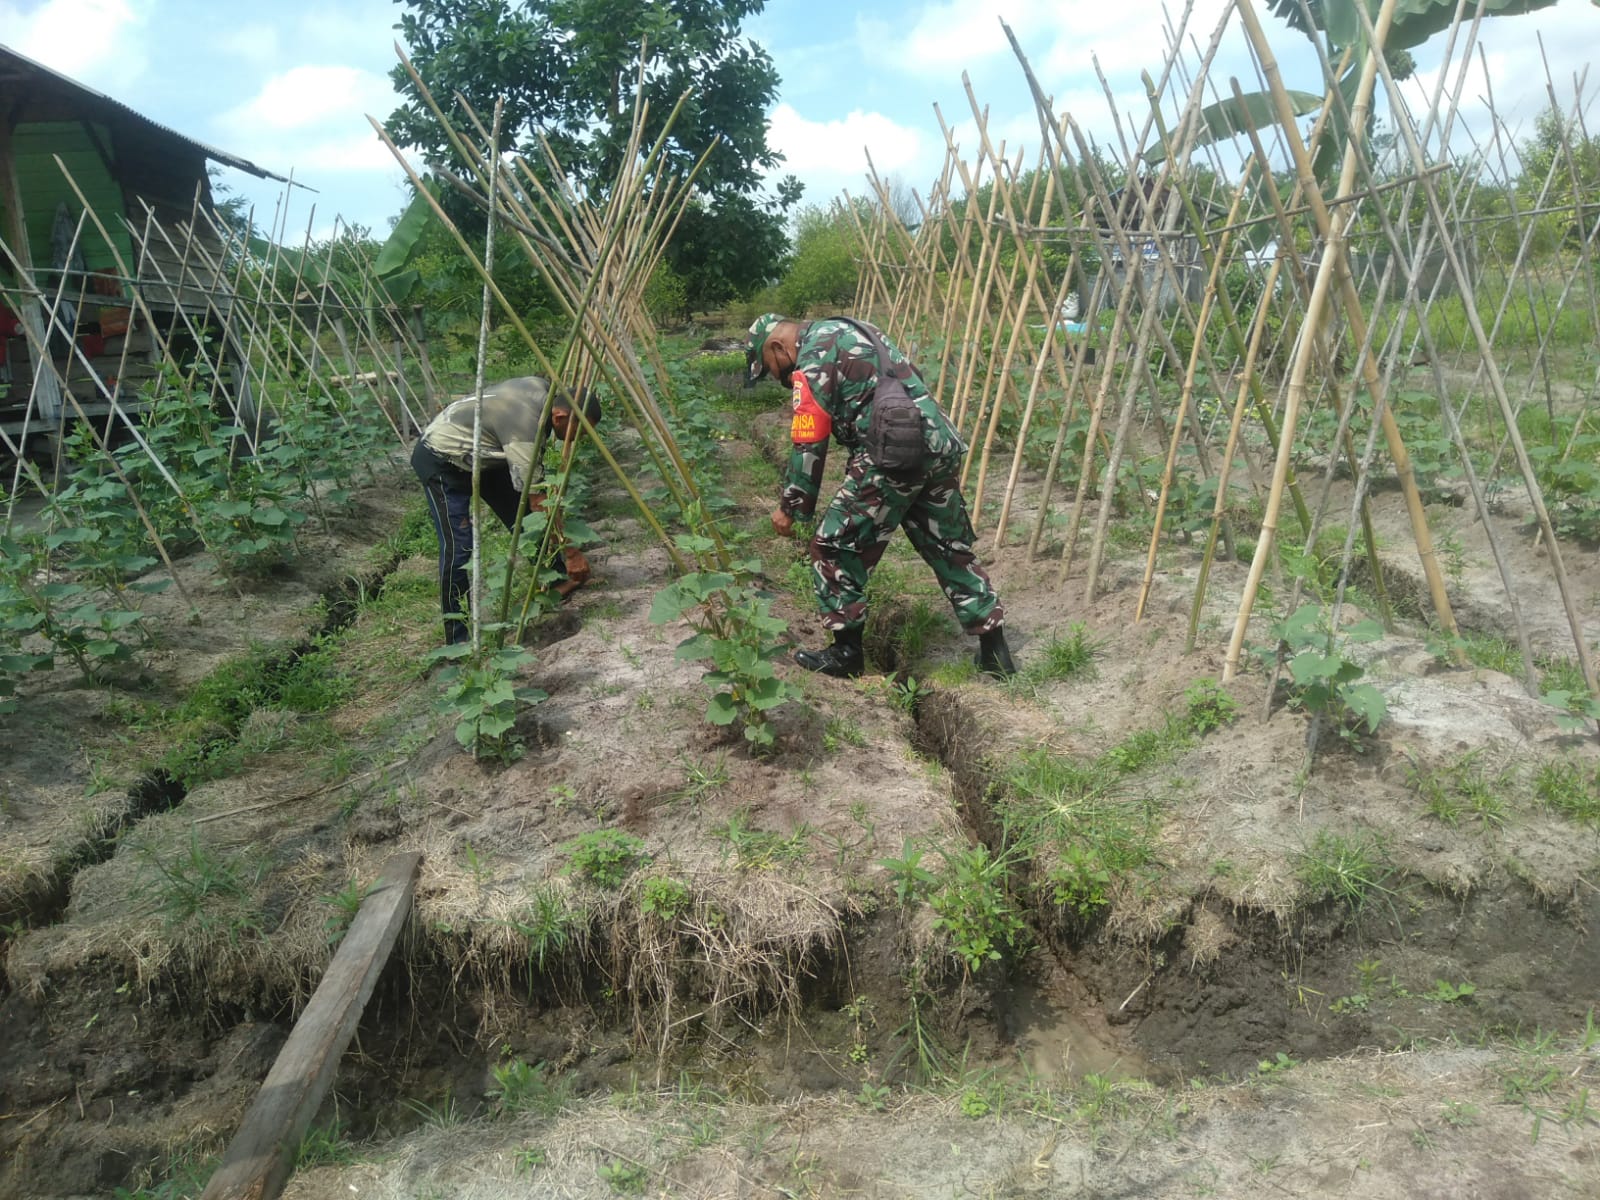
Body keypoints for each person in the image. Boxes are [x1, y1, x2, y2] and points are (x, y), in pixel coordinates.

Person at [745, 313, 1017, 679]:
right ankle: (995, 653)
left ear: (777, 347)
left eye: (770, 369)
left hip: (891, 454)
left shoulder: (814, 353)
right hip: (934, 444)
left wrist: (792, 507)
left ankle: (846, 654)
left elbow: (809, 436)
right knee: (949, 548)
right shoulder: (852, 329)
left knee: (833, 546)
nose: (777, 378)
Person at [410, 376, 599, 645]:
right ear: (559, 416)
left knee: (524, 521)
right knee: (459, 547)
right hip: (444, 457)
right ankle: (459, 638)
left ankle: (558, 582)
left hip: (487, 453)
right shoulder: (526, 428)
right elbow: (537, 499)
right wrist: (571, 551)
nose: (578, 439)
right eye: (579, 431)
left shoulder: (542, 387)